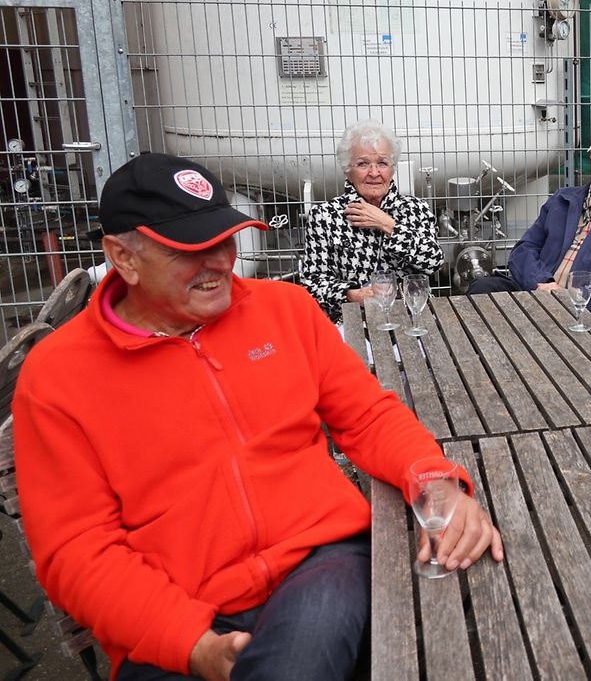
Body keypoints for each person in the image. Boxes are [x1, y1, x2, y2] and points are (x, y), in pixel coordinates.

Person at [12, 153, 503, 680]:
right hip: (165, 614)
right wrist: (190, 643)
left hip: (317, 561)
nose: (220, 263)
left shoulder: (284, 310)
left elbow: (367, 415)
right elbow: (77, 550)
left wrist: (436, 483)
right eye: (190, 250)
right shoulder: (58, 376)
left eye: (225, 241)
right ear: (123, 257)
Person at [467, 125, 591, 340]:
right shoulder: (563, 199)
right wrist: (542, 285)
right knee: (482, 290)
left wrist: (573, 297)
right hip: (536, 294)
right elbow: (524, 250)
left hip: (587, 316)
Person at [302, 118, 443, 321]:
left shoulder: (416, 209)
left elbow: (433, 262)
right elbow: (311, 282)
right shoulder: (325, 216)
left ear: (392, 169)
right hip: (352, 319)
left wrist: (387, 224)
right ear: (347, 170)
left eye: (382, 163)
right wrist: (351, 295)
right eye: (363, 164)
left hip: (412, 316)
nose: (374, 173)